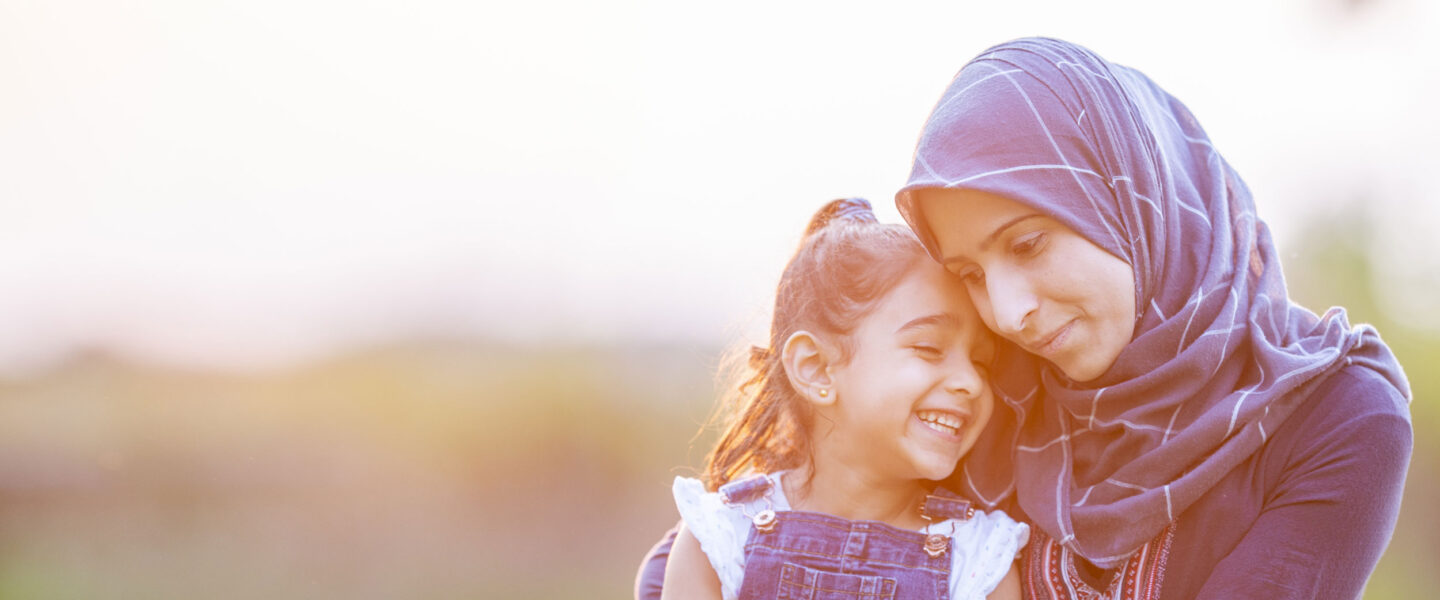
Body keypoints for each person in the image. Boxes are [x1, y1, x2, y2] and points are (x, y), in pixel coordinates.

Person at [893, 37, 1412, 598]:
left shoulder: (1336, 416)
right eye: (970, 274)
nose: (1009, 313)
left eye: (1027, 245)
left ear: (1129, 198)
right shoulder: (981, 404)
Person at [658, 198, 1029, 600]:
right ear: (816, 368)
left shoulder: (980, 560)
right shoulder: (720, 539)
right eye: (929, 347)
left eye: (982, 362)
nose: (971, 382)